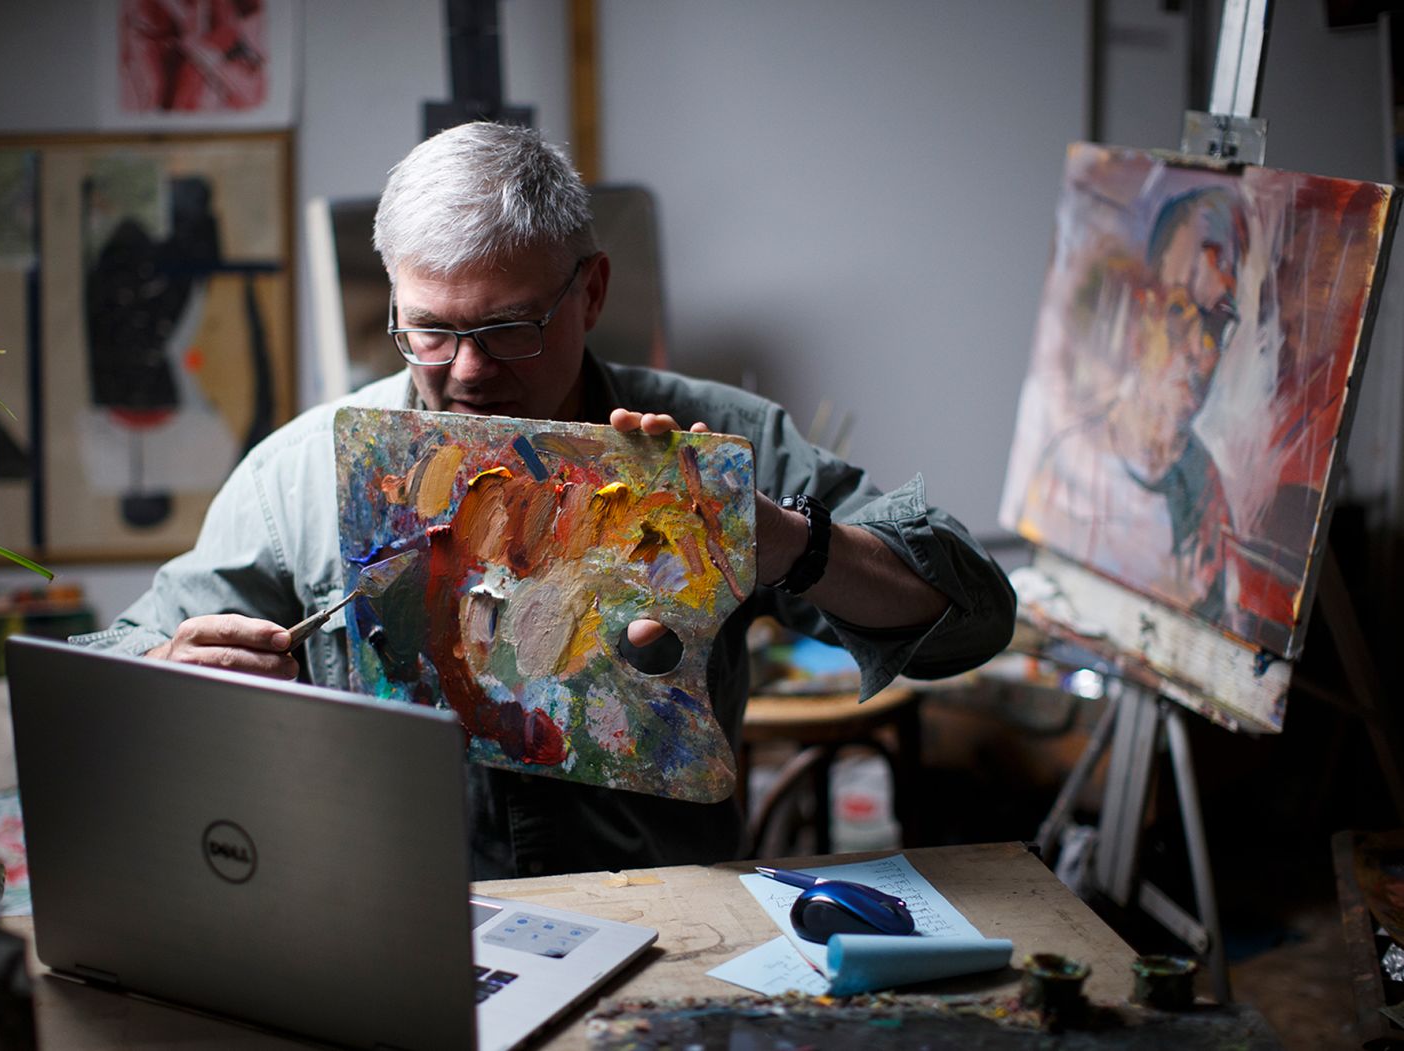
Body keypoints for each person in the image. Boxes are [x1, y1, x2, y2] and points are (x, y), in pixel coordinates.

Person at [75, 122, 1016, 878]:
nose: (470, 370)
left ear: (592, 290)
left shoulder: (716, 442)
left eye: (510, 327)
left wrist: (787, 542)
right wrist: (167, 665)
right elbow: (98, 675)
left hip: (663, 932)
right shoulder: (301, 474)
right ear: (395, 308)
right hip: (392, 930)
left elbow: (973, 614)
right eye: (432, 332)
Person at [1015, 186, 1247, 623]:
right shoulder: (1069, 467)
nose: (1200, 350)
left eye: (1217, 321)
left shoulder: (1207, 493)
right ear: (1145, 315)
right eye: (1181, 312)